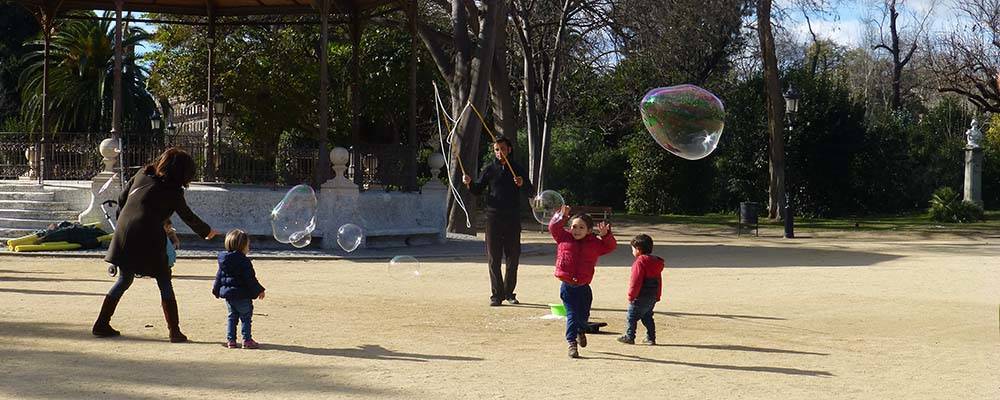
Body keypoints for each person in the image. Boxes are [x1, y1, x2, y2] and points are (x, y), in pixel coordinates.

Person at [92, 147, 221, 342]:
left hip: (124, 232)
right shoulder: (174, 191)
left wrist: (122, 222)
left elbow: (121, 199)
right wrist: (207, 232)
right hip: (148, 235)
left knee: (124, 280)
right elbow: (188, 216)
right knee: (164, 280)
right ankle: (174, 331)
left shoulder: (142, 173)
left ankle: (101, 323)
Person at [463, 137, 535, 306]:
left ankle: (510, 293)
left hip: (512, 217)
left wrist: (522, 183)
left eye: (502, 148)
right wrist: (469, 183)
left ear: (509, 149)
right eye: (496, 149)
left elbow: (531, 191)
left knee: (513, 256)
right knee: (493, 257)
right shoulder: (489, 170)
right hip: (493, 217)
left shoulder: (517, 169)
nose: (499, 152)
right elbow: (477, 190)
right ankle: (496, 295)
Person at [549, 205, 616, 358]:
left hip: (584, 287)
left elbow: (610, 246)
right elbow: (553, 227)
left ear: (589, 230)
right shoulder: (563, 237)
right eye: (573, 227)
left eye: (581, 227)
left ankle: (580, 330)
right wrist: (562, 215)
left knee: (583, 316)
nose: (576, 230)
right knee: (572, 314)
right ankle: (571, 343)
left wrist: (606, 235)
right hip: (568, 287)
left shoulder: (594, 243)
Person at [212, 229, 266, 349]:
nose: (249, 248)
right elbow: (250, 279)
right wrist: (259, 290)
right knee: (246, 318)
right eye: (248, 246)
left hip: (229, 296)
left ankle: (231, 340)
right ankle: (247, 340)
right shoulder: (244, 261)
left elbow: (219, 276)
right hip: (243, 295)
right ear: (242, 247)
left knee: (232, 317)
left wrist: (216, 290)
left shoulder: (224, 261)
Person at [617, 234, 664, 345]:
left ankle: (630, 336)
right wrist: (658, 295)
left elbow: (636, 281)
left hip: (640, 296)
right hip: (651, 296)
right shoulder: (656, 263)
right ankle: (651, 337)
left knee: (631, 316)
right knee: (647, 317)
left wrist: (631, 295)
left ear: (638, 249)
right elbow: (659, 280)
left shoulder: (639, 262)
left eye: (632, 249)